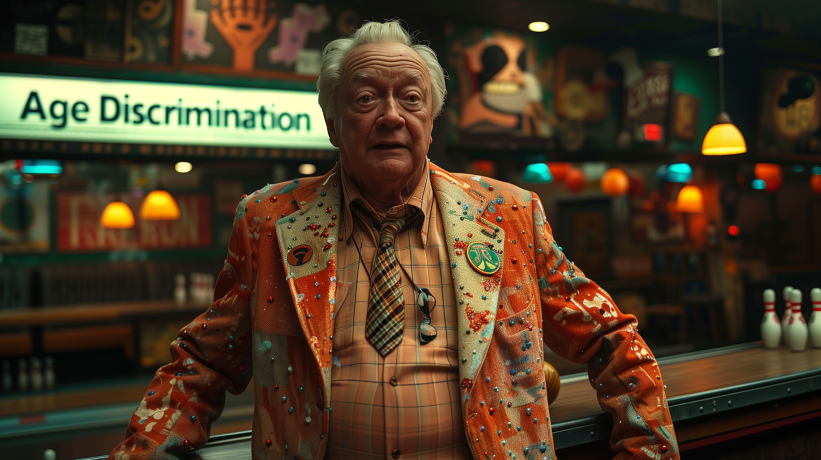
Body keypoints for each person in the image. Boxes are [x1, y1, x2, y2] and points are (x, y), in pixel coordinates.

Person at [109, 20, 678, 460]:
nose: (390, 116)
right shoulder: (268, 222)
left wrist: (647, 450)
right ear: (333, 123)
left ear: (432, 120)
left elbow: (612, 341)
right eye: (364, 100)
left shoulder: (508, 216)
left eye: (410, 98)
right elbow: (200, 368)